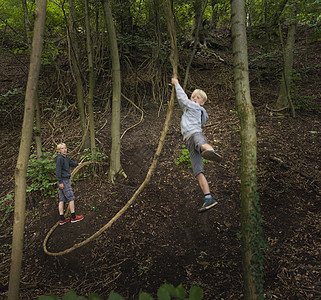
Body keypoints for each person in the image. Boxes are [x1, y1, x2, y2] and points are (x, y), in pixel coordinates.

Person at [171, 77, 222, 212]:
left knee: (201, 144)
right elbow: (183, 103)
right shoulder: (193, 109)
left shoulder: (194, 107)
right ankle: (208, 198)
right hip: (189, 142)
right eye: (193, 96)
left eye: (197, 97)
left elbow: (182, 99)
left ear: (202, 102)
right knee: (198, 172)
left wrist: (176, 84)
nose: (194, 98)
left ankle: (213, 152)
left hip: (195, 135)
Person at [55, 143, 84, 225]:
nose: (64, 150)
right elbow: (58, 171)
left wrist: (78, 164)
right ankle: (73, 217)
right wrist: (60, 182)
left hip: (64, 181)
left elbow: (71, 163)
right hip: (63, 181)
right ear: (59, 150)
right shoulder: (60, 159)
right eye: (62, 149)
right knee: (71, 198)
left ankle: (62, 219)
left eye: (65, 148)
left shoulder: (65, 158)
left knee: (62, 199)